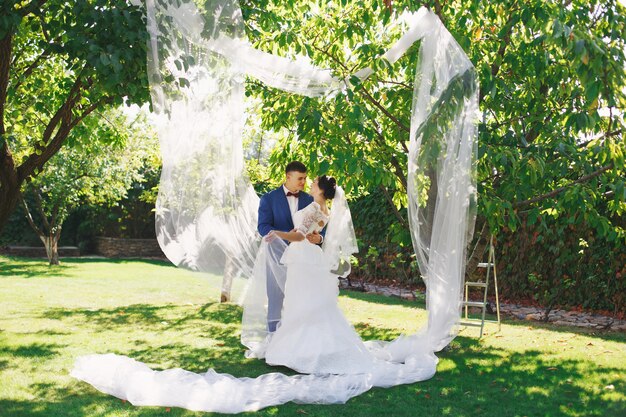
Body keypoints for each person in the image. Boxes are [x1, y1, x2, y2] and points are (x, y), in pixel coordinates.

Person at [259, 175, 374, 374]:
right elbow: (308, 232)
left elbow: (299, 236)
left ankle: (299, 350)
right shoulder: (324, 210)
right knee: (304, 302)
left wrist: (278, 233)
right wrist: (311, 235)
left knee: (300, 301)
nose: (310, 184)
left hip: (302, 258)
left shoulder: (314, 208)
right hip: (307, 256)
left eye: (314, 183)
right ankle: (307, 348)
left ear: (320, 190)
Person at [257, 161, 323, 332]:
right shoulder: (268, 199)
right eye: (300, 178)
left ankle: (296, 338)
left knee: (301, 297)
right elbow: (263, 227)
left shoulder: (310, 200)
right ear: (288, 176)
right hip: (276, 255)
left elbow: (322, 229)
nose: (303, 182)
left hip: (303, 258)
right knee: (275, 295)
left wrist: (319, 238)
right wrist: (287, 235)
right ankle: (272, 337)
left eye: (305, 178)